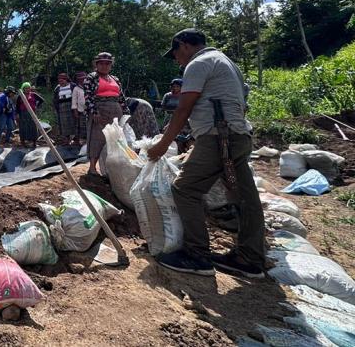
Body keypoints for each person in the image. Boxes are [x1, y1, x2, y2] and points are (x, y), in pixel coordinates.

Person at [147, 28, 265, 279]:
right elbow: (239, 101)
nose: (177, 60)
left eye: (176, 54)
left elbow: (183, 109)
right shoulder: (227, 63)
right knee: (245, 197)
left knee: (185, 189)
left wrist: (161, 145)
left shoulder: (198, 63)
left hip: (218, 139)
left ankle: (196, 255)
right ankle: (250, 257)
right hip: (238, 135)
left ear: (184, 45)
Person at [84, 53, 129, 174]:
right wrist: (94, 111)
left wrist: (126, 113)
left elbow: (121, 97)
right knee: (97, 138)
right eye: (101, 63)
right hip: (100, 110)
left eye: (107, 63)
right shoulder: (91, 77)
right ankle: (92, 167)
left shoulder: (115, 79)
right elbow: (88, 96)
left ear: (111, 65)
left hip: (116, 110)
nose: (104, 66)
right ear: (96, 64)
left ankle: (111, 169)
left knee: (115, 139)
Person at [161, 78, 193, 153]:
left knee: (180, 137)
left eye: (177, 86)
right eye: (173, 86)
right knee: (166, 134)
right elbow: (163, 106)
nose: (175, 88)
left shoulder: (184, 96)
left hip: (181, 118)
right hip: (169, 117)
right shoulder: (167, 95)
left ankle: (180, 151)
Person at [16, 82, 44, 148]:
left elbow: (42, 100)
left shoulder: (33, 94)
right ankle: (23, 142)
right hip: (23, 113)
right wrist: (17, 114)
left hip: (32, 113)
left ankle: (34, 142)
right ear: (23, 89)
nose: (28, 89)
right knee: (23, 127)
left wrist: (36, 106)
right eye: (26, 88)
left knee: (33, 126)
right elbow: (17, 106)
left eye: (29, 88)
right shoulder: (20, 96)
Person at [52, 73, 75, 144]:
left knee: (73, 123)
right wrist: (55, 108)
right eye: (59, 81)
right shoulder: (58, 88)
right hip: (62, 108)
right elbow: (55, 99)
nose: (61, 82)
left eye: (62, 80)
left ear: (66, 80)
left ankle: (75, 139)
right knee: (64, 124)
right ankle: (66, 140)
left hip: (72, 106)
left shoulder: (72, 86)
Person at [71, 71, 88, 146]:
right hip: (80, 110)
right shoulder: (76, 89)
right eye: (80, 79)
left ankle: (89, 140)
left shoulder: (89, 86)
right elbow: (74, 101)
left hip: (90, 110)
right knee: (81, 126)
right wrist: (75, 111)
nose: (82, 80)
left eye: (83, 78)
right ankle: (81, 141)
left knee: (89, 126)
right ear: (77, 80)